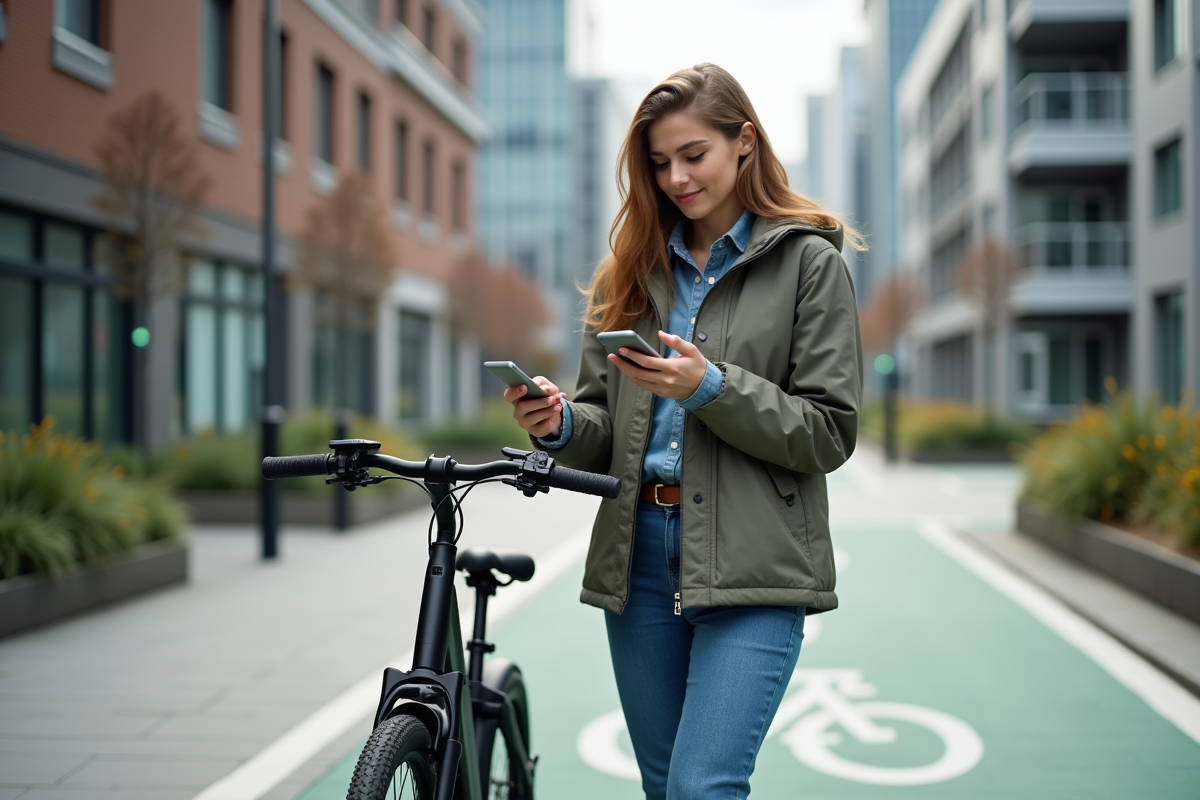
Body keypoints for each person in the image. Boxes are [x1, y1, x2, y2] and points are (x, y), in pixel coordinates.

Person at [504, 63, 864, 799]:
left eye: (693, 155)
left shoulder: (809, 263)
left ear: (744, 141)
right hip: (637, 558)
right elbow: (604, 427)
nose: (675, 178)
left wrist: (710, 388)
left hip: (755, 561)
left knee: (702, 788)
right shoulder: (629, 273)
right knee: (663, 785)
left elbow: (828, 432)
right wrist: (560, 424)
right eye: (659, 162)